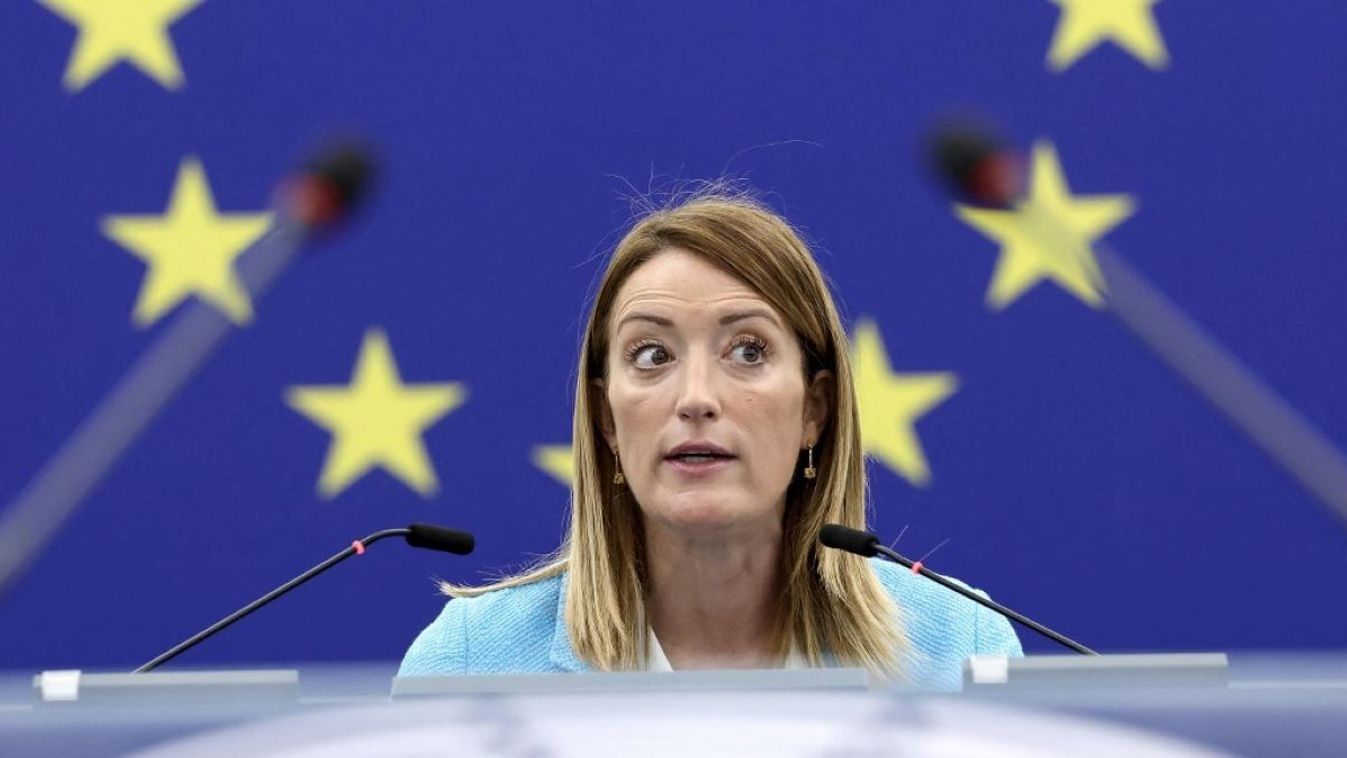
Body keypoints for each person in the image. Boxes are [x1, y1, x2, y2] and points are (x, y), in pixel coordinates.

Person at [399, 191, 1022, 689]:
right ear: (607, 420)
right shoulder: (471, 664)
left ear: (815, 407)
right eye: (651, 354)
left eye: (748, 351)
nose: (696, 397)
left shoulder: (960, 653)